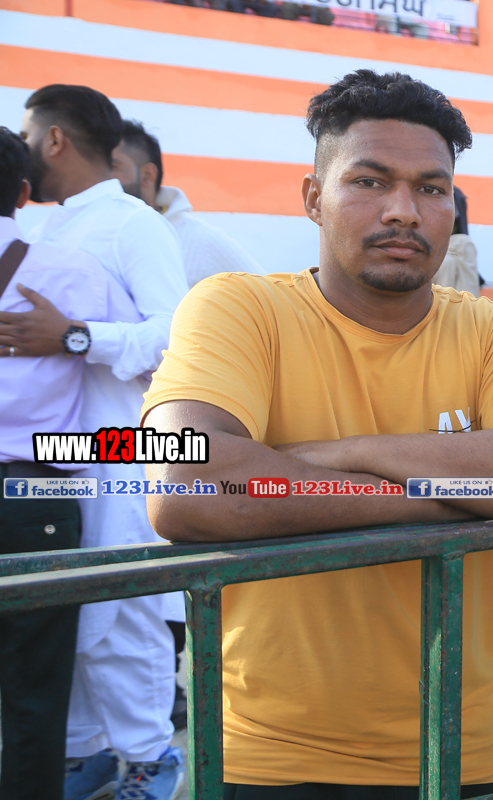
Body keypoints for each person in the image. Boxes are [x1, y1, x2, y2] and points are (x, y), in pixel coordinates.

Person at [139, 69, 493, 797]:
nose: (404, 210)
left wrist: (341, 456)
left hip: (459, 747)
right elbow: (189, 484)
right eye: (368, 182)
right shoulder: (239, 310)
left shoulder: (489, 329)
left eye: (431, 188)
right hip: (270, 755)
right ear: (313, 198)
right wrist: (457, 495)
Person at [8, 83, 189, 800]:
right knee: (67, 609)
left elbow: (177, 337)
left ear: (54, 139)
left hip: (122, 447)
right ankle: (88, 754)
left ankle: (151, 762)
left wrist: (77, 337)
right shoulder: (49, 229)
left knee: (123, 610)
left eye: (28, 134)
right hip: (52, 455)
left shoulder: (129, 224)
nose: (23, 147)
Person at [0, 126, 139, 800]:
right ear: (25, 191)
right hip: (36, 494)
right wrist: (73, 338)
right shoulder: (69, 269)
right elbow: (151, 351)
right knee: (34, 693)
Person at [112, 119, 265, 287]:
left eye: (112, 166)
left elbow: (269, 296)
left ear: (147, 175)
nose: (100, 177)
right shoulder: (96, 236)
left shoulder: (201, 242)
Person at [431, 186, 481, 295]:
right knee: (448, 261)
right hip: (428, 246)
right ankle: (464, 302)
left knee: (461, 247)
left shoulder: (454, 193)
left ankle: (465, 302)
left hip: (448, 249)